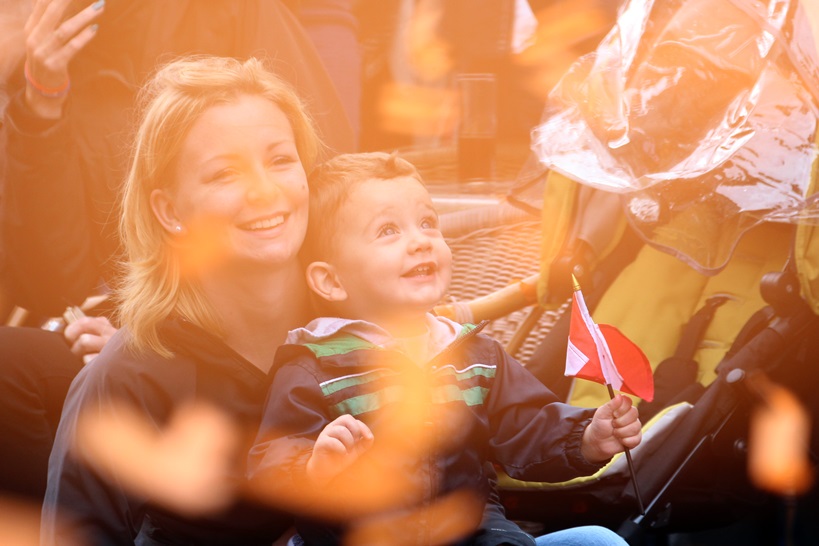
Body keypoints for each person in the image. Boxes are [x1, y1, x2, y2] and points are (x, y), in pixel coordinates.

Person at [0, 0, 356, 505]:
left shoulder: (236, 16)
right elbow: (51, 281)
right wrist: (40, 104)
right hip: (141, 320)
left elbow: (317, 187)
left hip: (259, 332)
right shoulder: (56, 44)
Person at [247, 151, 640, 545]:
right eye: (388, 230)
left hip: (471, 531)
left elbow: (528, 426)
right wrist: (316, 466)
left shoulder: (475, 358)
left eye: (427, 223)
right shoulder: (316, 368)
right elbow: (273, 459)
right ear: (332, 282)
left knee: (599, 540)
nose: (420, 242)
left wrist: (587, 437)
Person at [40, 54, 321, 545]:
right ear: (170, 211)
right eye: (223, 174)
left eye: (280, 159)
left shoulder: (368, 323)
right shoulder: (127, 377)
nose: (263, 190)